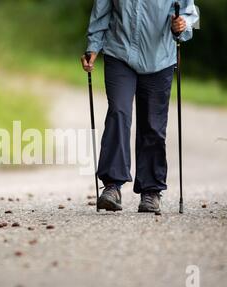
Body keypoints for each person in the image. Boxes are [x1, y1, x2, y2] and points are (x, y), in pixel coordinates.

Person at [81, 0, 199, 213]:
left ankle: (151, 190)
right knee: (119, 111)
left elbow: (190, 14)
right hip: (120, 54)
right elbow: (101, 12)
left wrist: (182, 25)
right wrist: (93, 47)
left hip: (159, 59)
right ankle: (112, 186)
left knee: (153, 124)